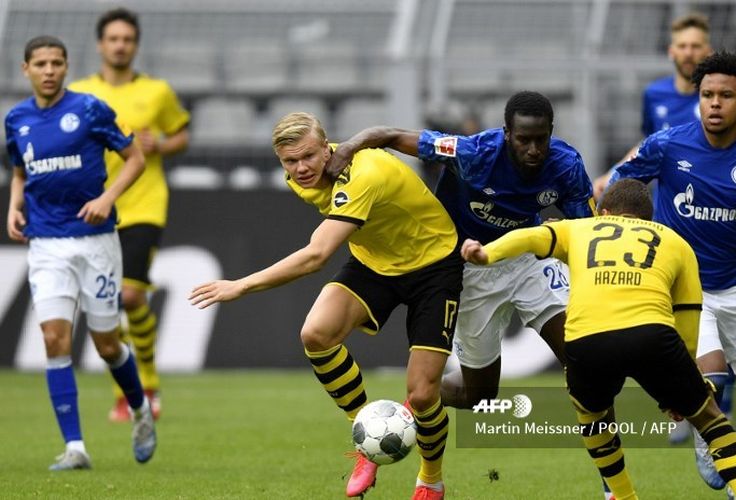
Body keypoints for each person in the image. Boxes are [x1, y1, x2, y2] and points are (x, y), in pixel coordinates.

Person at [189, 112, 463, 500]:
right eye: (290, 161)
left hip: (434, 265)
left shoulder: (362, 174)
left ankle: (430, 480)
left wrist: (241, 285)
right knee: (316, 334)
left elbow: (316, 256)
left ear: (327, 147)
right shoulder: (302, 177)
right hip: (375, 260)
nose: (300, 169)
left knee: (421, 394)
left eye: (308, 157)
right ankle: (366, 437)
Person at [462, 178, 736, 500]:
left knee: (593, 417)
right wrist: (679, 387)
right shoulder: (675, 242)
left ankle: (624, 497)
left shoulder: (581, 227)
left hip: (587, 341)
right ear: (648, 220)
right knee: (709, 418)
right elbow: (687, 319)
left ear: (604, 211)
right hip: (652, 335)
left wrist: (486, 252)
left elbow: (529, 236)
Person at [328, 91, 595, 410]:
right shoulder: (473, 153)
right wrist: (346, 148)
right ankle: (411, 407)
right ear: (507, 133)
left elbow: (587, 230)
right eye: (524, 139)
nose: (534, 149)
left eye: (542, 139)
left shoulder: (566, 165)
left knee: (581, 355)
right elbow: (389, 135)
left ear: (551, 131)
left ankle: (605, 441)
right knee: (478, 395)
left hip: (527, 262)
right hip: (469, 270)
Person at [4, 35, 155, 470]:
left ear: (66, 66)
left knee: (107, 345)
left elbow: (135, 159)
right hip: (46, 242)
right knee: (54, 339)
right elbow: (20, 169)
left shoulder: (89, 109)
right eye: (41, 64)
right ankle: (76, 447)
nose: (49, 70)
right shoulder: (17, 119)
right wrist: (16, 204)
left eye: (57, 62)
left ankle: (141, 412)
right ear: (26, 69)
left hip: (95, 242)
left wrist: (108, 199)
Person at [609, 50, 736, 493]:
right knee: (708, 381)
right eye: (707, 94)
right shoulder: (668, 145)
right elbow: (617, 189)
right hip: (688, 289)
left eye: (726, 95)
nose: (714, 103)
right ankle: (717, 450)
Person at [69, 7, 191, 422]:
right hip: (93, 206)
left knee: (131, 294)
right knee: (101, 303)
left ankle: (149, 386)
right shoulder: (80, 92)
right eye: (113, 39)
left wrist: (160, 143)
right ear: (101, 44)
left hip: (144, 204)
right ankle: (127, 391)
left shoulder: (157, 92)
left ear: (135, 45)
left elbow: (181, 134)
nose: (120, 45)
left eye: (127, 39)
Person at [592, 12, 714, 200]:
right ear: (671, 51)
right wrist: (612, 174)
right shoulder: (654, 94)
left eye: (696, 46)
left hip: (710, 198)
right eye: (682, 46)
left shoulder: (719, 97)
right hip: (666, 203)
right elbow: (648, 143)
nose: (688, 53)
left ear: (708, 51)